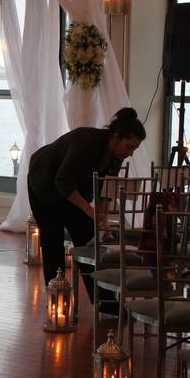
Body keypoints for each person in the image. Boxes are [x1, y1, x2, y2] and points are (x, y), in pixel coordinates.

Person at [27, 107, 146, 304]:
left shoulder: (116, 156)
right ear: (116, 137)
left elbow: (107, 189)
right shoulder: (86, 142)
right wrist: (89, 210)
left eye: (134, 149)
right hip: (44, 183)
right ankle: (57, 302)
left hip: (70, 187)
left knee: (90, 242)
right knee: (52, 242)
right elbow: (62, 182)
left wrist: (104, 220)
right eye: (129, 147)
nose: (130, 154)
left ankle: (104, 302)